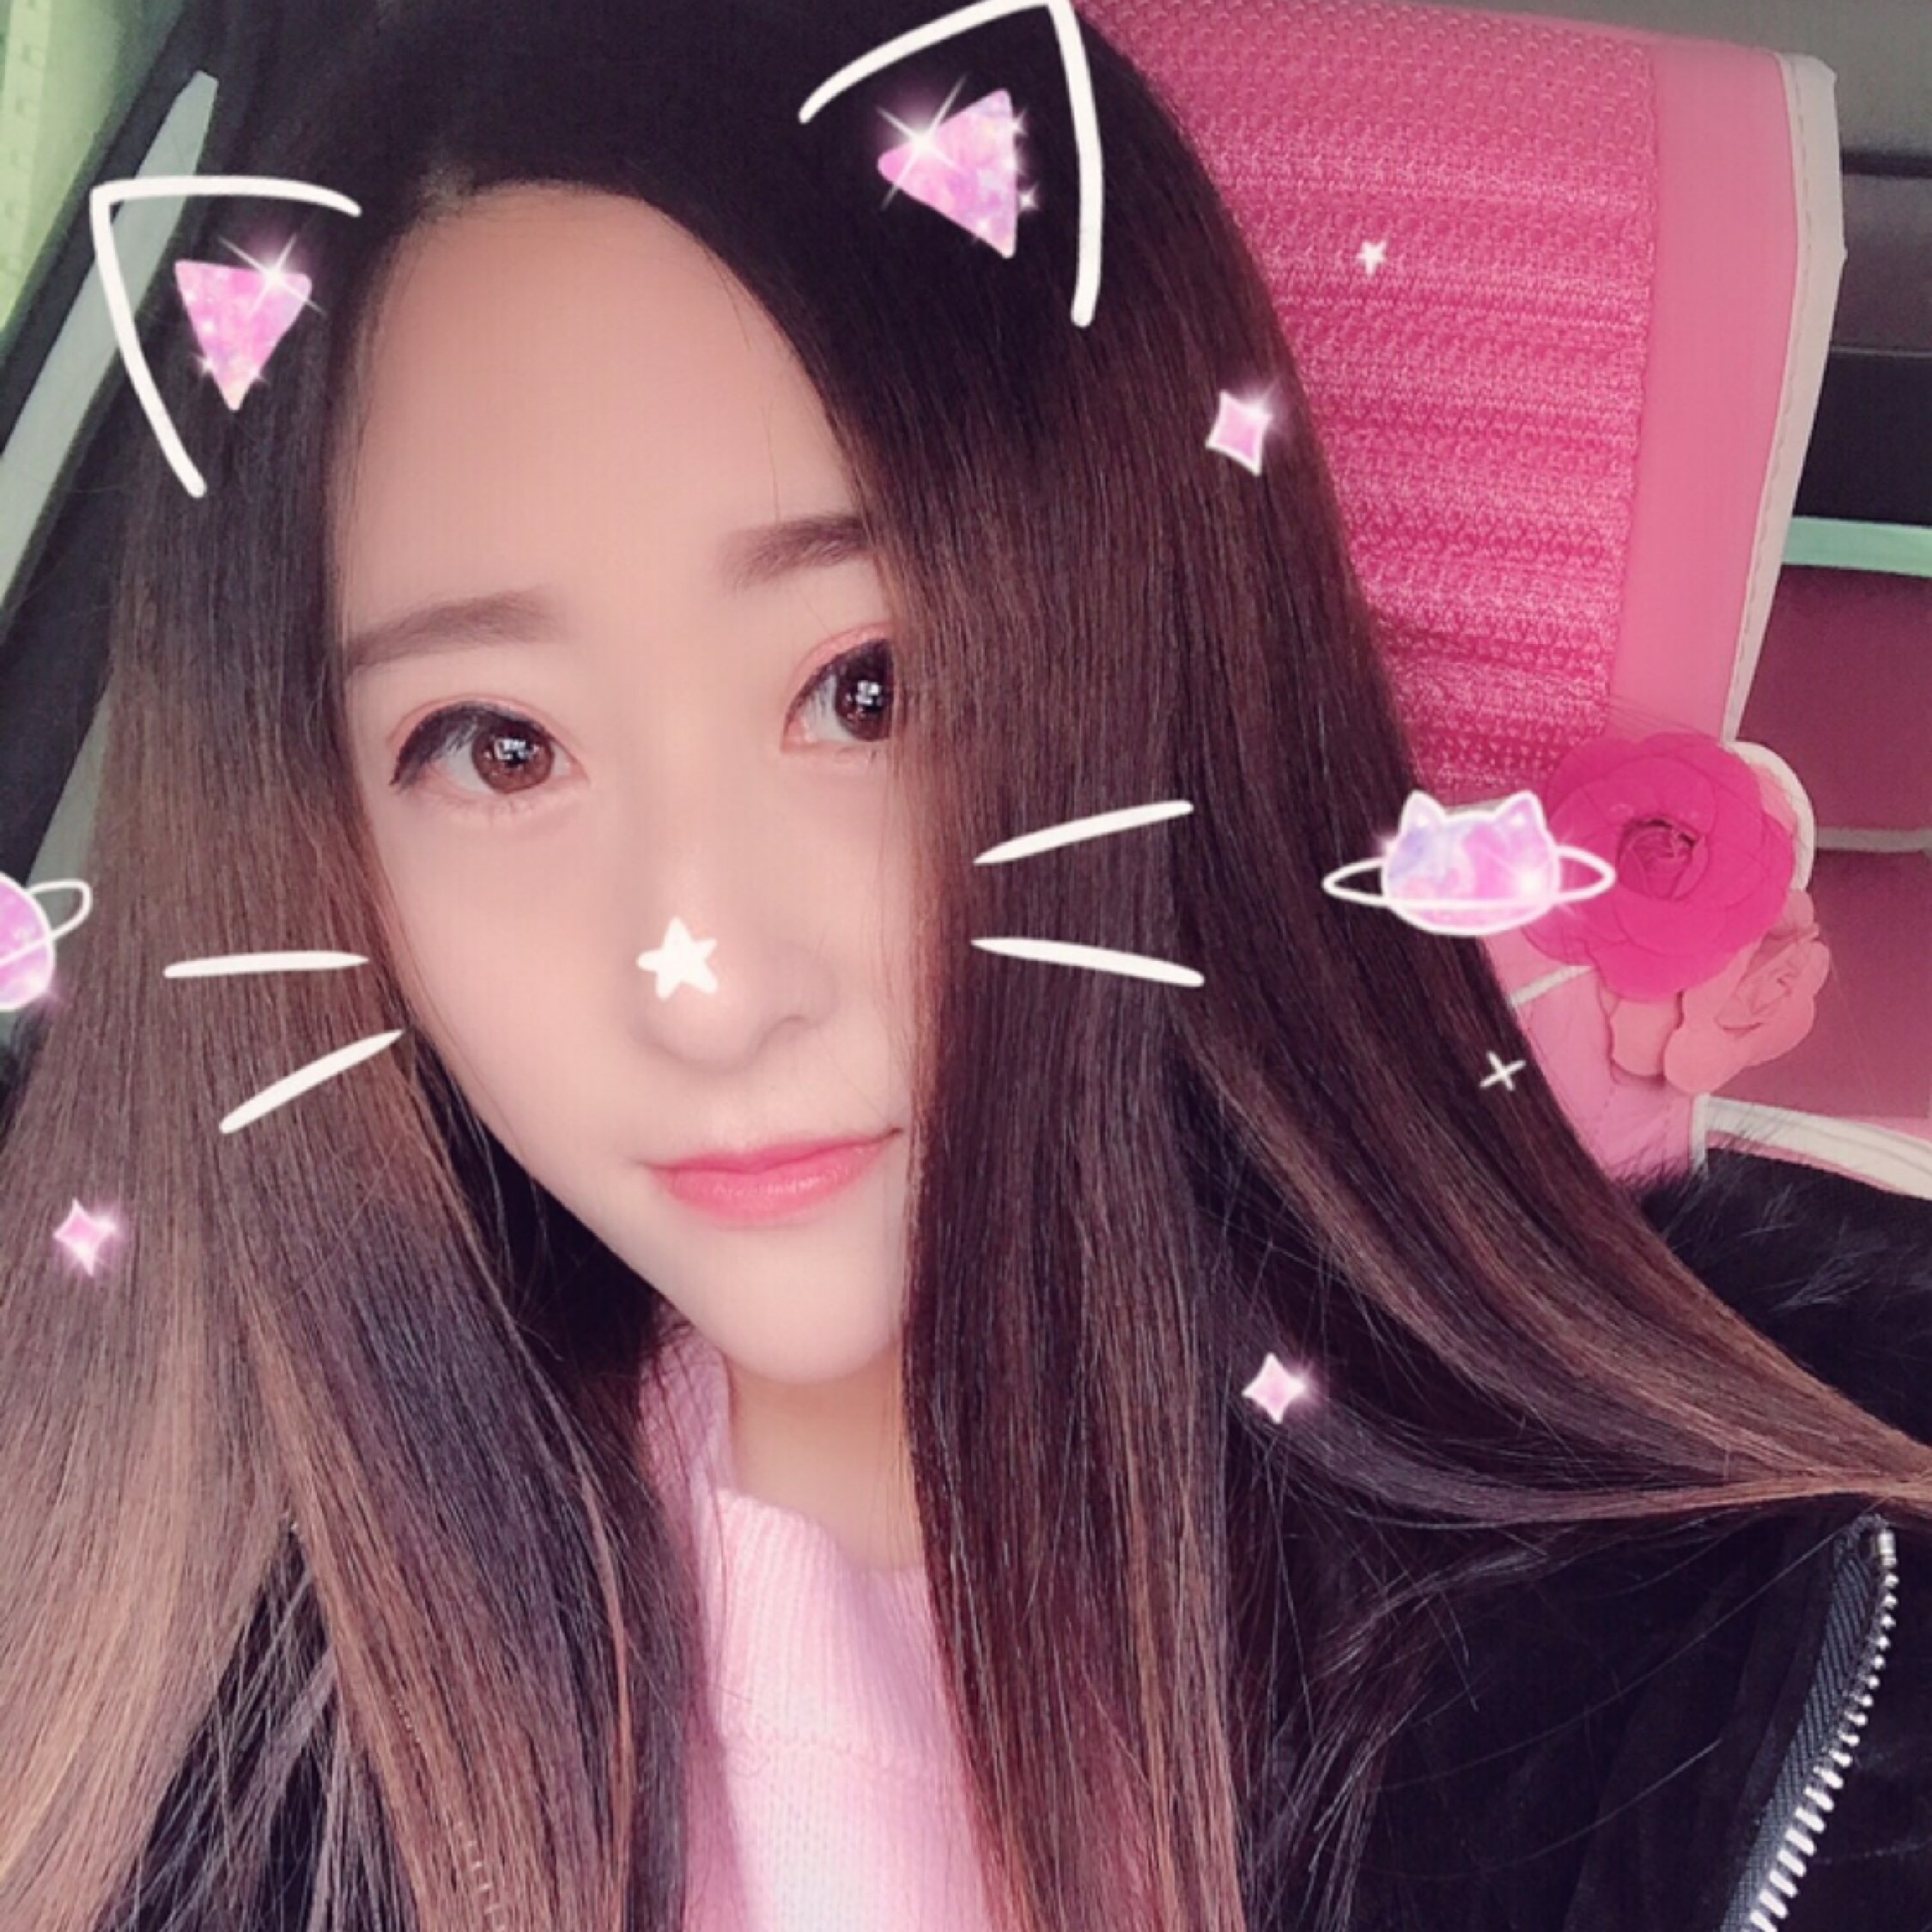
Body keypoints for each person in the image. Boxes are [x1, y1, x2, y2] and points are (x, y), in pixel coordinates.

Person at [0, 1, 1927, 1929]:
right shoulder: (152, 1669)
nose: (709, 994)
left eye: (870, 691)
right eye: (498, 751)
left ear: (1164, 657)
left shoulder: (1764, 1613)